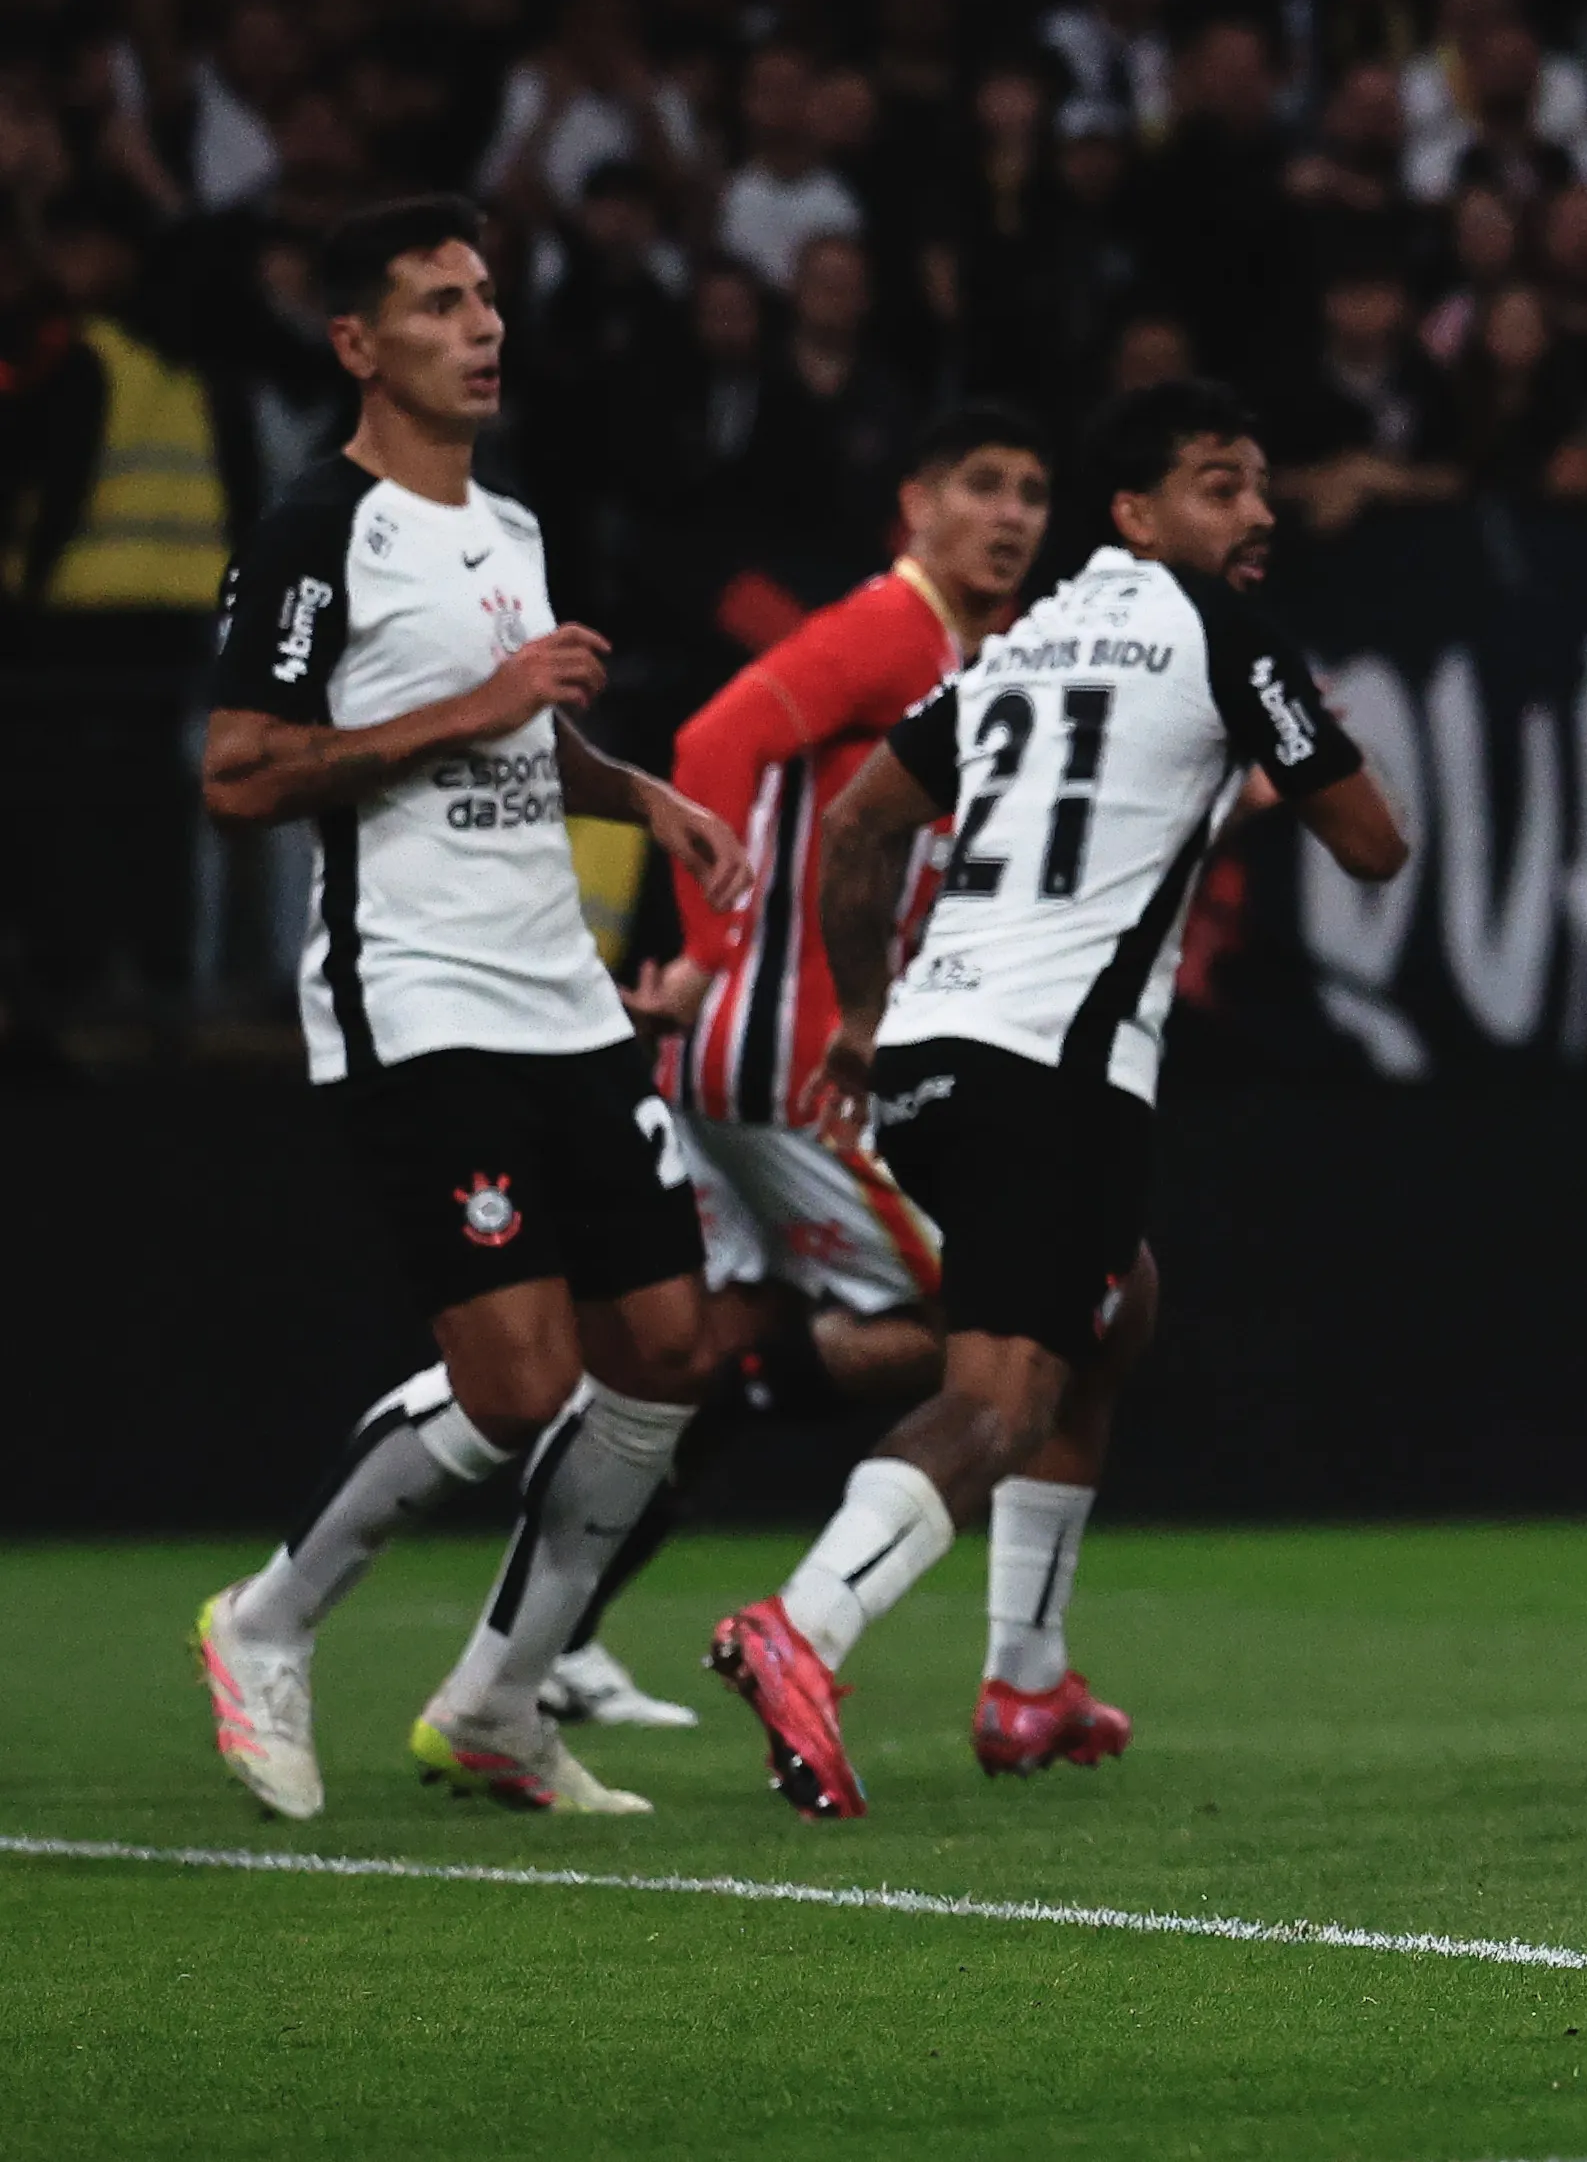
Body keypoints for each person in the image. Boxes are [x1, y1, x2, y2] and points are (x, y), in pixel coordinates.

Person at [705, 377, 1412, 1817]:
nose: (1259, 510)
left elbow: (854, 827)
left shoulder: (1017, 648)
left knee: (1117, 1302)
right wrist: (1271, 745)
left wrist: (857, 1016)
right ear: (1138, 514)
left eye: (1262, 482)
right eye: (1221, 483)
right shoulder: (1219, 630)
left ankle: (1026, 1679)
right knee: (1001, 1395)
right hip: (1056, 1070)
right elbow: (1374, 843)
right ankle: (804, 1625)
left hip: (935, 1054)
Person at [191, 195, 759, 1818]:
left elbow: (513, 735)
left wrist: (636, 789)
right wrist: (485, 704)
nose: (483, 325)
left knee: (666, 1345)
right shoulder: (320, 527)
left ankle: (502, 1701)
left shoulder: (503, 526)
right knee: (514, 1384)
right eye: (442, 301)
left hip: (561, 997)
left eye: (490, 297)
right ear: (360, 344)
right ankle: (265, 1620)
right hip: (420, 996)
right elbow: (240, 771)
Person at [539, 399, 1058, 1734]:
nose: (1012, 515)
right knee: (1019, 1315)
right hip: (789, 1065)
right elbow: (713, 743)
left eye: (1032, 494)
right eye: (984, 485)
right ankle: (829, 1603)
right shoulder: (889, 626)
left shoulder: (964, 648)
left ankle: (554, 1637)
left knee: (697, 1351)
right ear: (916, 503)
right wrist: (710, 944)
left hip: (745, 1067)